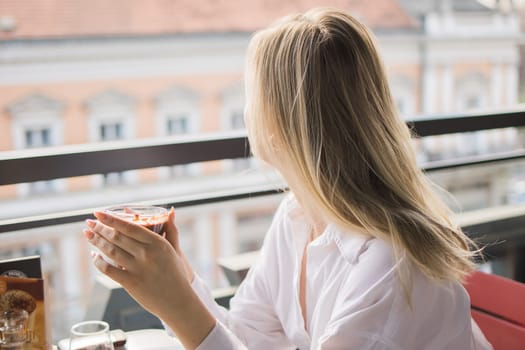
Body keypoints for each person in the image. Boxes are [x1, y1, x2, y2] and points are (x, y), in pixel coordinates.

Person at [83, 7, 493, 350]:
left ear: (282, 124)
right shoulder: (299, 216)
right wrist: (179, 279)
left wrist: (176, 306)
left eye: (252, 97)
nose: (246, 114)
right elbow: (248, 336)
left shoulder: (389, 267)